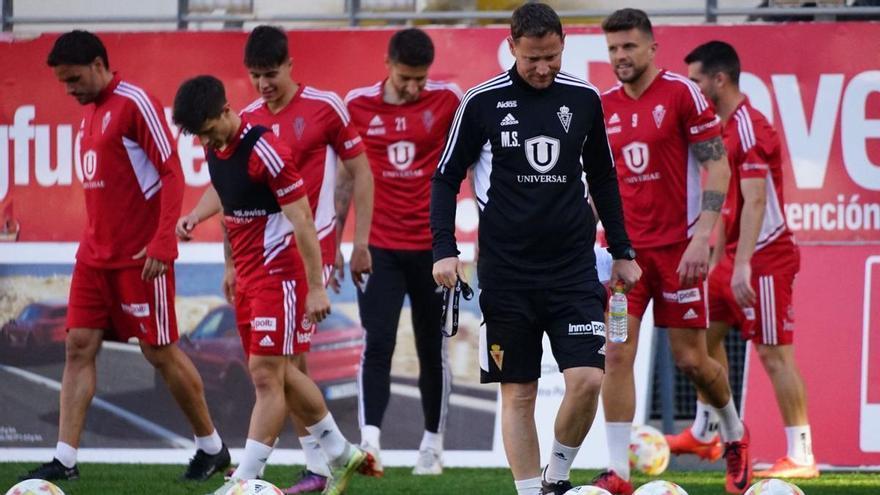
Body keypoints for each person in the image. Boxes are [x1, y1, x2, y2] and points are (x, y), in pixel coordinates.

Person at [431, 4, 640, 494]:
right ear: (512, 47)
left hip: (573, 269)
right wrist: (444, 248)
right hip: (507, 275)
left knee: (588, 379)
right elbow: (444, 179)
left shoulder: (584, 98)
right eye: (532, 59)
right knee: (519, 392)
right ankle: (531, 493)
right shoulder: (480, 102)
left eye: (551, 56)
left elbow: (605, 178)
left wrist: (623, 249)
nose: (543, 68)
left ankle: (557, 476)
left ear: (564, 43)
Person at [20, 30, 229, 483]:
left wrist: (162, 241)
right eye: (63, 82)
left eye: (74, 78)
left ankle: (211, 447)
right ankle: (65, 460)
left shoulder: (135, 102)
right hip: (94, 257)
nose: (69, 88)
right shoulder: (89, 115)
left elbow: (171, 173)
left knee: (159, 352)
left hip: (140, 258)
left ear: (99, 64)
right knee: (78, 346)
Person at [185, 25, 375, 493]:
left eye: (271, 73)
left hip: (299, 252)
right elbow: (232, 197)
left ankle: (265, 474)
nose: (264, 83)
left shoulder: (323, 108)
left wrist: (355, 246)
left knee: (273, 369)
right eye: (255, 75)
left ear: (289, 65)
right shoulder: (239, 125)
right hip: (257, 260)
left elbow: (359, 174)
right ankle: (333, 458)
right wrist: (227, 260)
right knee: (285, 367)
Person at [596, 9, 751, 495]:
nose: (621, 57)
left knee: (691, 361)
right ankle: (618, 472)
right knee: (617, 353)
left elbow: (718, 167)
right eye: (614, 49)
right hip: (625, 262)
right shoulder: (601, 106)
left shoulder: (681, 94)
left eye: (629, 47)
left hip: (678, 255)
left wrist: (702, 237)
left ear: (650, 48)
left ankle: (734, 435)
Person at [677, 40, 817, 479]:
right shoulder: (723, 127)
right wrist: (718, 258)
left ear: (719, 79)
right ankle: (706, 430)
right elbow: (731, 203)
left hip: (765, 256)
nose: (694, 89)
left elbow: (755, 201)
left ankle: (802, 453)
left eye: (698, 80)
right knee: (701, 338)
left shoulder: (751, 127)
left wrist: (742, 267)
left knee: (775, 354)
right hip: (733, 256)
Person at [340, 28, 461, 475]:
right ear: (387, 64)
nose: (414, 87)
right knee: (379, 344)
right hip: (380, 249)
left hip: (434, 250)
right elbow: (345, 180)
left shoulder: (448, 101)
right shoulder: (357, 105)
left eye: (421, 79)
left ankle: (432, 445)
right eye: (406, 77)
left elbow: (475, 159)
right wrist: (339, 243)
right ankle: (370, 442)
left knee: (433, 349)